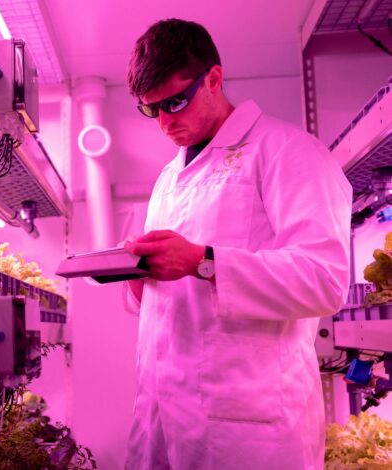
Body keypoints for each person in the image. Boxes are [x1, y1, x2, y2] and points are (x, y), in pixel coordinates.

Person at [121, 18, 351, 470]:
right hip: (161, 416)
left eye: (175, 102)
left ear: (214, 79)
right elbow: (171, 301)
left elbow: (324, 282)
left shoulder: (288, 152)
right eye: (153, 110)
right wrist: (137, 279)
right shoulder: (169, 178)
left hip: (248, 430)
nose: (166, 122)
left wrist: (204, 262)